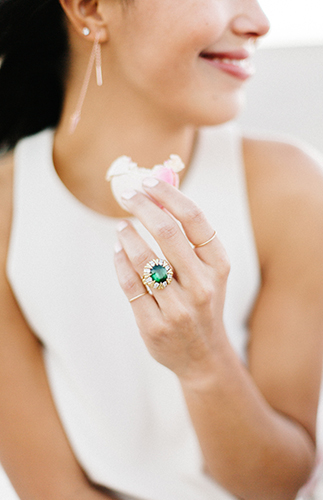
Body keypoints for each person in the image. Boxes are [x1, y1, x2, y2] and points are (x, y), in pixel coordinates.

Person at [0, 1, 323, 499]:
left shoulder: (291, 191)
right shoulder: (8, 212)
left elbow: (278, 484)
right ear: (90, 8)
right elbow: (50, 488)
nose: (258, 21)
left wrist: (202, 359)